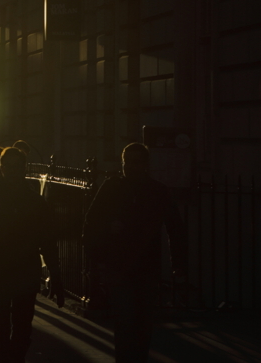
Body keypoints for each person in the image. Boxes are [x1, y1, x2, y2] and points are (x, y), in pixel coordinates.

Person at [84, 143, 185, 363]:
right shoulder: (112, 187)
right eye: (127, 162)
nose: (131, 167)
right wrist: (107, 231)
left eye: (136, 162)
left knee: (142, 323)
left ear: (146, 165)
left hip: (146, 266)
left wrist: (178, 262)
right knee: (125, 321)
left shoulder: (157, 191)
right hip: (119, 265)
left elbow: (175, 227)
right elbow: (91, 220)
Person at [0, 146, 64, 363]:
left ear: (24, 169)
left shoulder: (35, 203)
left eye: (16, 166)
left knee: (22, 331)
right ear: (0, 168)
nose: (11, 171)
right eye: (6, 166)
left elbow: (48, 242)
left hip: (25, 275)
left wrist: (55, 275)